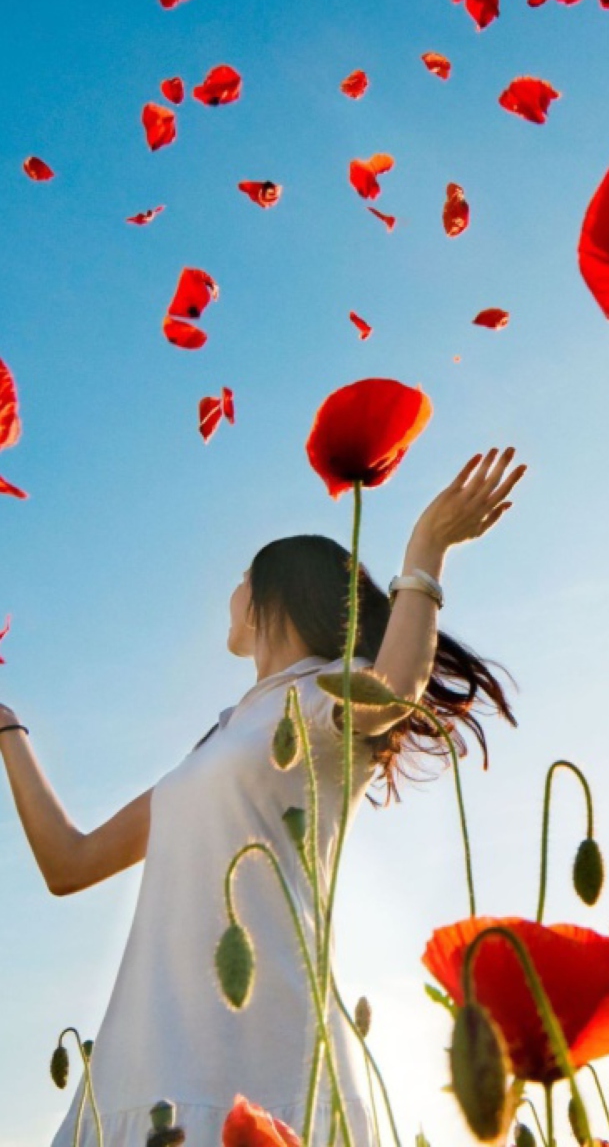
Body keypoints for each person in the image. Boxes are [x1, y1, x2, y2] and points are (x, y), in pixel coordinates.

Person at [0, 447, 526, 1147]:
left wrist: (426, 547)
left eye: (241, 578)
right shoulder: (221, 738)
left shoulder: (322, 693)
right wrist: (9, 728)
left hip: (256, 1057)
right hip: (139, 1060)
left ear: (273, 593)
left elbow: (395, 692)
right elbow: (71, 862)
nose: (230, 592)